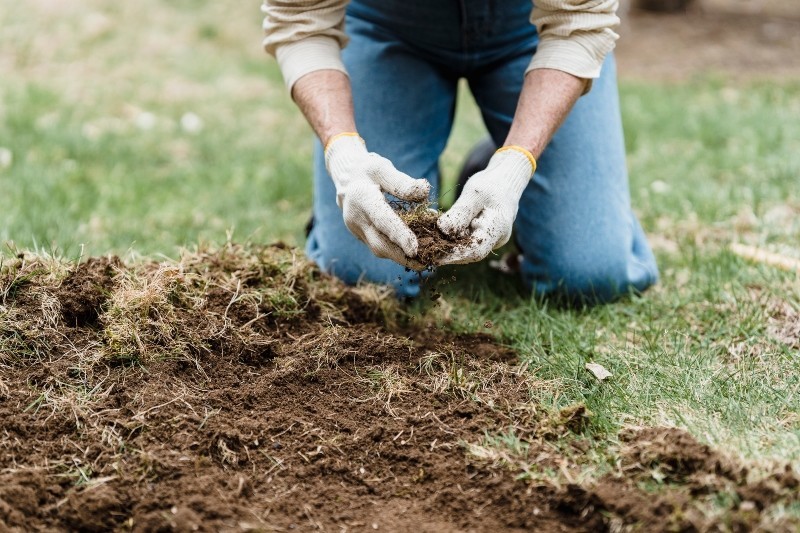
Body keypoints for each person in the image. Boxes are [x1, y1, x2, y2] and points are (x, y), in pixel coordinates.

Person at [262, 0, 659, 304]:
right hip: (388, 25)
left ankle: (498, 163)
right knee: (366, 279)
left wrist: (515, 165)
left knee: (587, 276)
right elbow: (300, 19)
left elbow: (579, 23)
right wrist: (344, 155)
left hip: (533, 29)